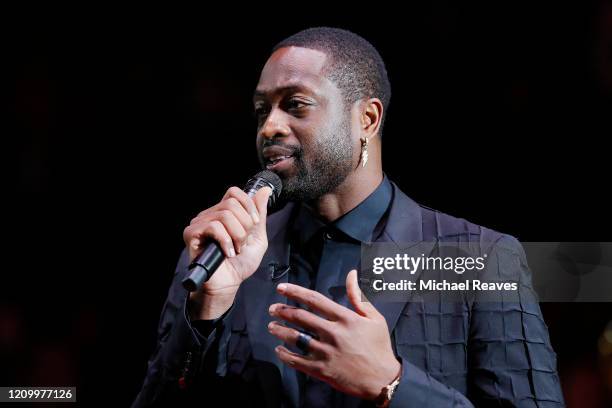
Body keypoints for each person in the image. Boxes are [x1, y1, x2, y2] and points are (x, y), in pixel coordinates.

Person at [132, 27, 565, 407]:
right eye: (262, 109)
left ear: (367, 119)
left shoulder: (481, 258)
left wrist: (392, 383)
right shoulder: (223, 253)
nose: (269, 127)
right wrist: (207, 311)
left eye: (296, 105)